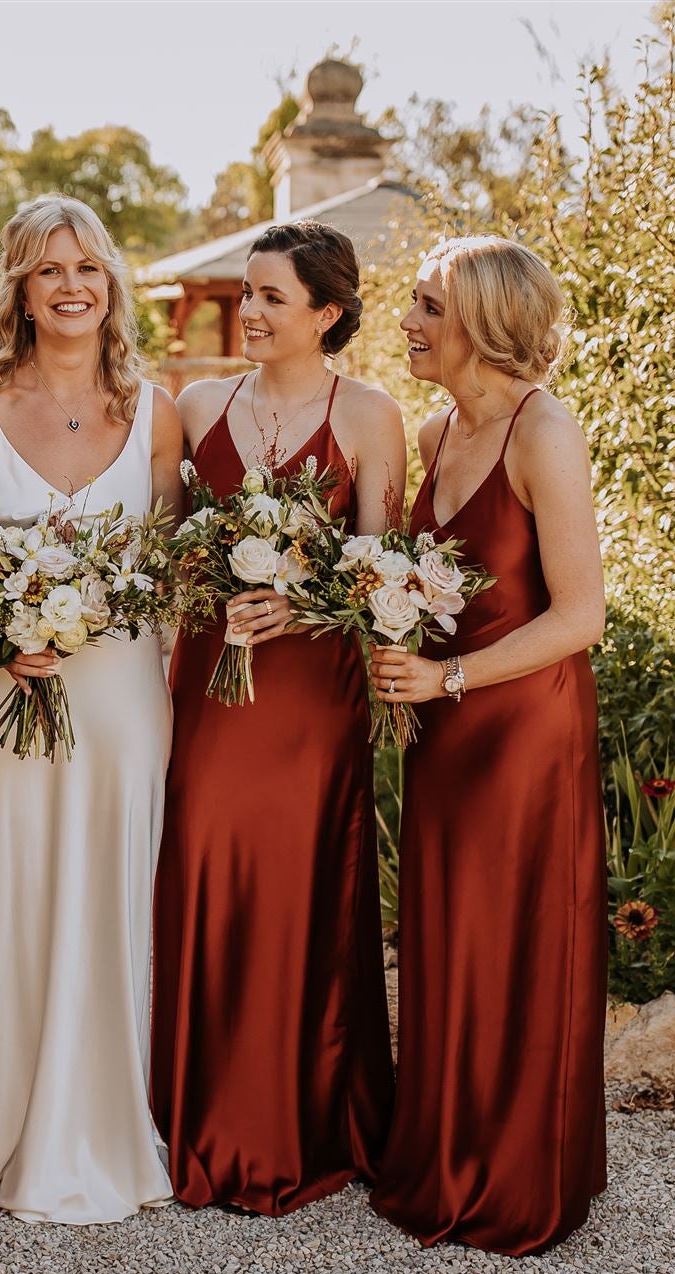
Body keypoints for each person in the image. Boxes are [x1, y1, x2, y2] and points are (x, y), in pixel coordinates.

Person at [0, 194, 184, 1223]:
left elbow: (166, 567)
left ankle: (108, 1123)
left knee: (110, 892)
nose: (71, 285)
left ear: (111, 284)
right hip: (3, 693)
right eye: (48, 270)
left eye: (87, 267)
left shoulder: (154, 411)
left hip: (121, 691)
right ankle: (5, 1126)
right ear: (20, 291)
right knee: (22, 887)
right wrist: (2, 629)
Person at [151, 221, 403, 1215]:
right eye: (246, 294)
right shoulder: (198, 402)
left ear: (326, 314)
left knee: (297, 888)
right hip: (209, 684)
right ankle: (194, 1110)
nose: (247, 313)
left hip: (309, 698)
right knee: (204, 872)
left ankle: (290, 1119)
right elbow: (165, 541)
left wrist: (303, 600)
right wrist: (198, 573)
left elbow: (385, 574)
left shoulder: (371, 415)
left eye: (269, 298)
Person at [368, 235, 608, 1256]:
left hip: (519, 728)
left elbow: (579, 617)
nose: (408, 322)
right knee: (443, 936)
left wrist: (449, 677)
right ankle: (442, 1153)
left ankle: (516, 1177)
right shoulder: (433, 430)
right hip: (442, 726)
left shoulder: (540, 434)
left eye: (425, 306)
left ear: (479, 322)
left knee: (514, 941)